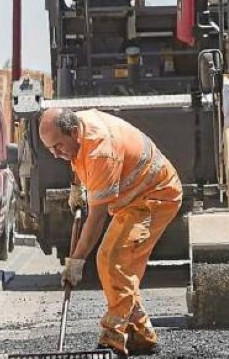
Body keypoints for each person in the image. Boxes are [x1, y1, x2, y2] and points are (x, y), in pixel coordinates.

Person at [38, 107, 182, 357]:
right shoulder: (78, 128)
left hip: (155, 196)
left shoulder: (101, 149)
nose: (55, 154)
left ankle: (112, 337)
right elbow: (78, 158)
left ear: (73, 132)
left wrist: (76, 261)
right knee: (118, 266)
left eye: (58, 147)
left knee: (113, 259)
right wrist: (77, 186)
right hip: (133, 199)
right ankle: (142, 334)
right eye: (50, 149)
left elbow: (95, 219)